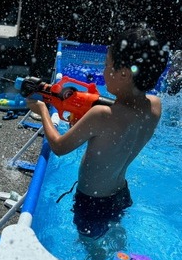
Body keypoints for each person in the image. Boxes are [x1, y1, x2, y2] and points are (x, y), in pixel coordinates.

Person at [27, 27, 169, 240]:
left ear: (124, 74)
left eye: (106, 66)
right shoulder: (155, 107)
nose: (103, 72)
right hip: (120, 194)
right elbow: (119, 125)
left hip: (92, 202)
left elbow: (58, 147)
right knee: (113, 235)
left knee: (94, 252)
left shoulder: (101, 115)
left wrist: (43, 111)